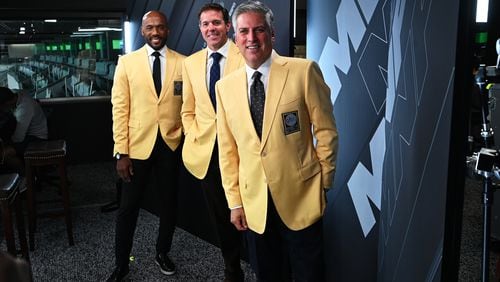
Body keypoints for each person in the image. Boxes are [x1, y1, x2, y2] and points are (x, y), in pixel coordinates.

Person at [215, 1, 338, 281]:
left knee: (310, 274)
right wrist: (234, 202)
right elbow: (228, 151)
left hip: (302, 198)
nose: (251, 38)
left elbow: (327, 132)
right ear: (235, 37)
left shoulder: (303, 71)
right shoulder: (225, 88)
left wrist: (324, 182)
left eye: (259, 30)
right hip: (254, 203)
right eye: (244, 31)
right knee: (268, 274)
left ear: (271, 33)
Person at [108, 10, 185, 282]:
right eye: (150, 27)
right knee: (128, 208)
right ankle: (121, 264)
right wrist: (122, 152)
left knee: (169, 205)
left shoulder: (182, 63)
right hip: (136, 148)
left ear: (167, 30)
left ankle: (162, 252)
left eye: (160, 27)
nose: (155, 32)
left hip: (170, 145)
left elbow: (188, 106)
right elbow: (120, 109)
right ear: (142, 31)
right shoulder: (127, 63)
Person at [181, 3, 245, 282]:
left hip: (244, 150)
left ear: (228, 26)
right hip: (207, 152)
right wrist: (192, 135)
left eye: (216, 23)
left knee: (251, 208)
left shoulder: (246, 55)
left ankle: (264, 263)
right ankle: (232, 268)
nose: (211, 29)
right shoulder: (190, 62)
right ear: (200, 29)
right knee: (221, 215)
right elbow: (187, 109)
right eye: (205, 24)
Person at [0, 87, 47, 157]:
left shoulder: (24, 108)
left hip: (37, 138)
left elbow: (18, 138)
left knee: (4, 154)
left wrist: (4, 144)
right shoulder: (13, 95)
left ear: (8, 103)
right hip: (25, 134)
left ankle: (23, 168)